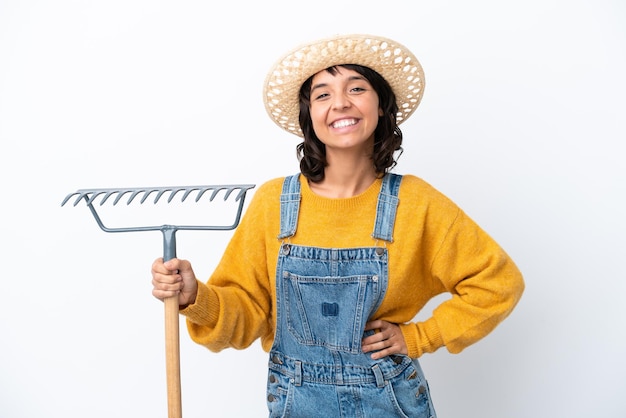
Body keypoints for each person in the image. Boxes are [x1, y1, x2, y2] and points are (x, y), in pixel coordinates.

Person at [151, 34, 525, 417]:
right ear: (309, 116)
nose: (341, 103)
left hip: (390, 401)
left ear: (381, 106)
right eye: (323, 94)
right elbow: (248, 316)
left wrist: (420, 336)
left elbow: (498, 284)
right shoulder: (273, 204)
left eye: (357, 88)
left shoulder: (416, 202)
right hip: (298, 402)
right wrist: (195, 296)